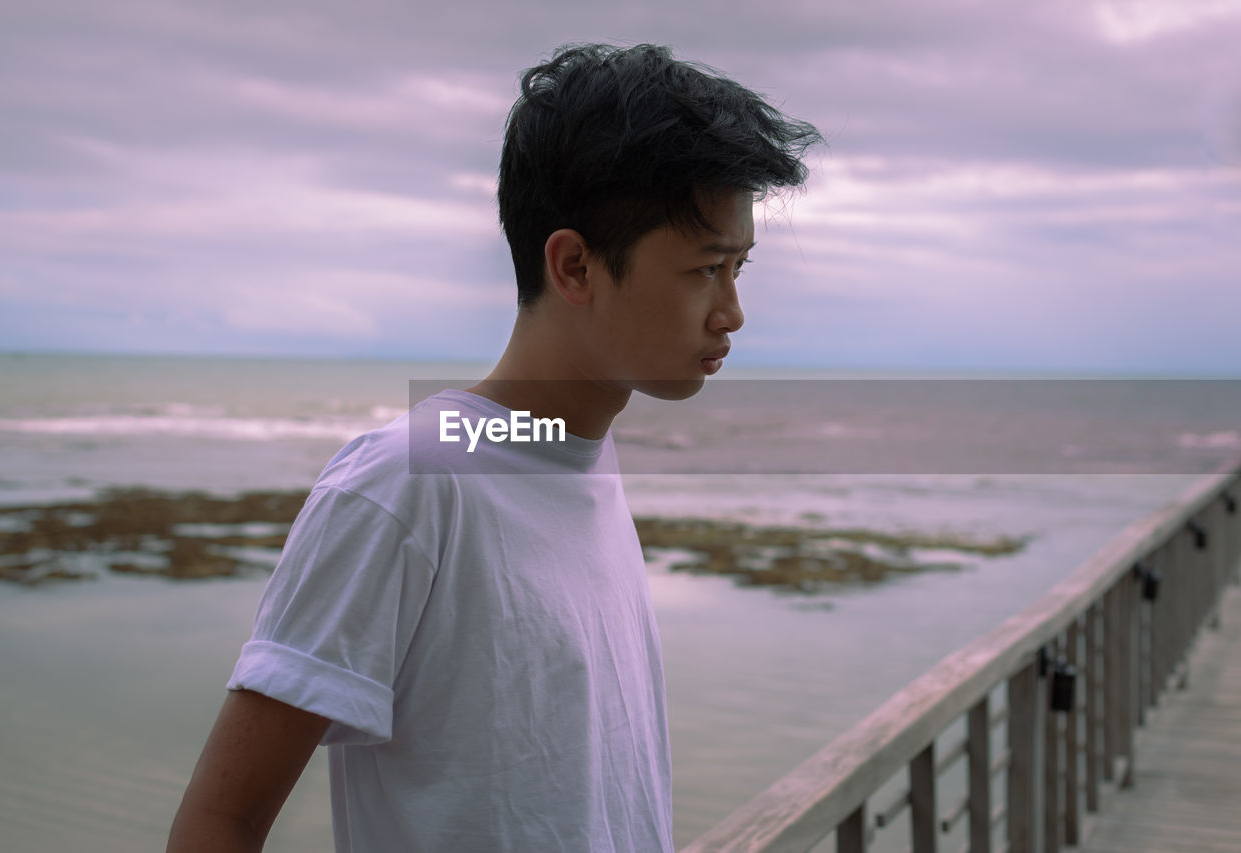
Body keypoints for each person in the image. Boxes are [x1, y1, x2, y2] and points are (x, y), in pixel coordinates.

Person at [167, 43, 820, 853]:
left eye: (740, 268)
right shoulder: (410, 481)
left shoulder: (574, 456)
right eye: (706, 269)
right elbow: (220, 821)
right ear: (575, 265)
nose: (732, 312)